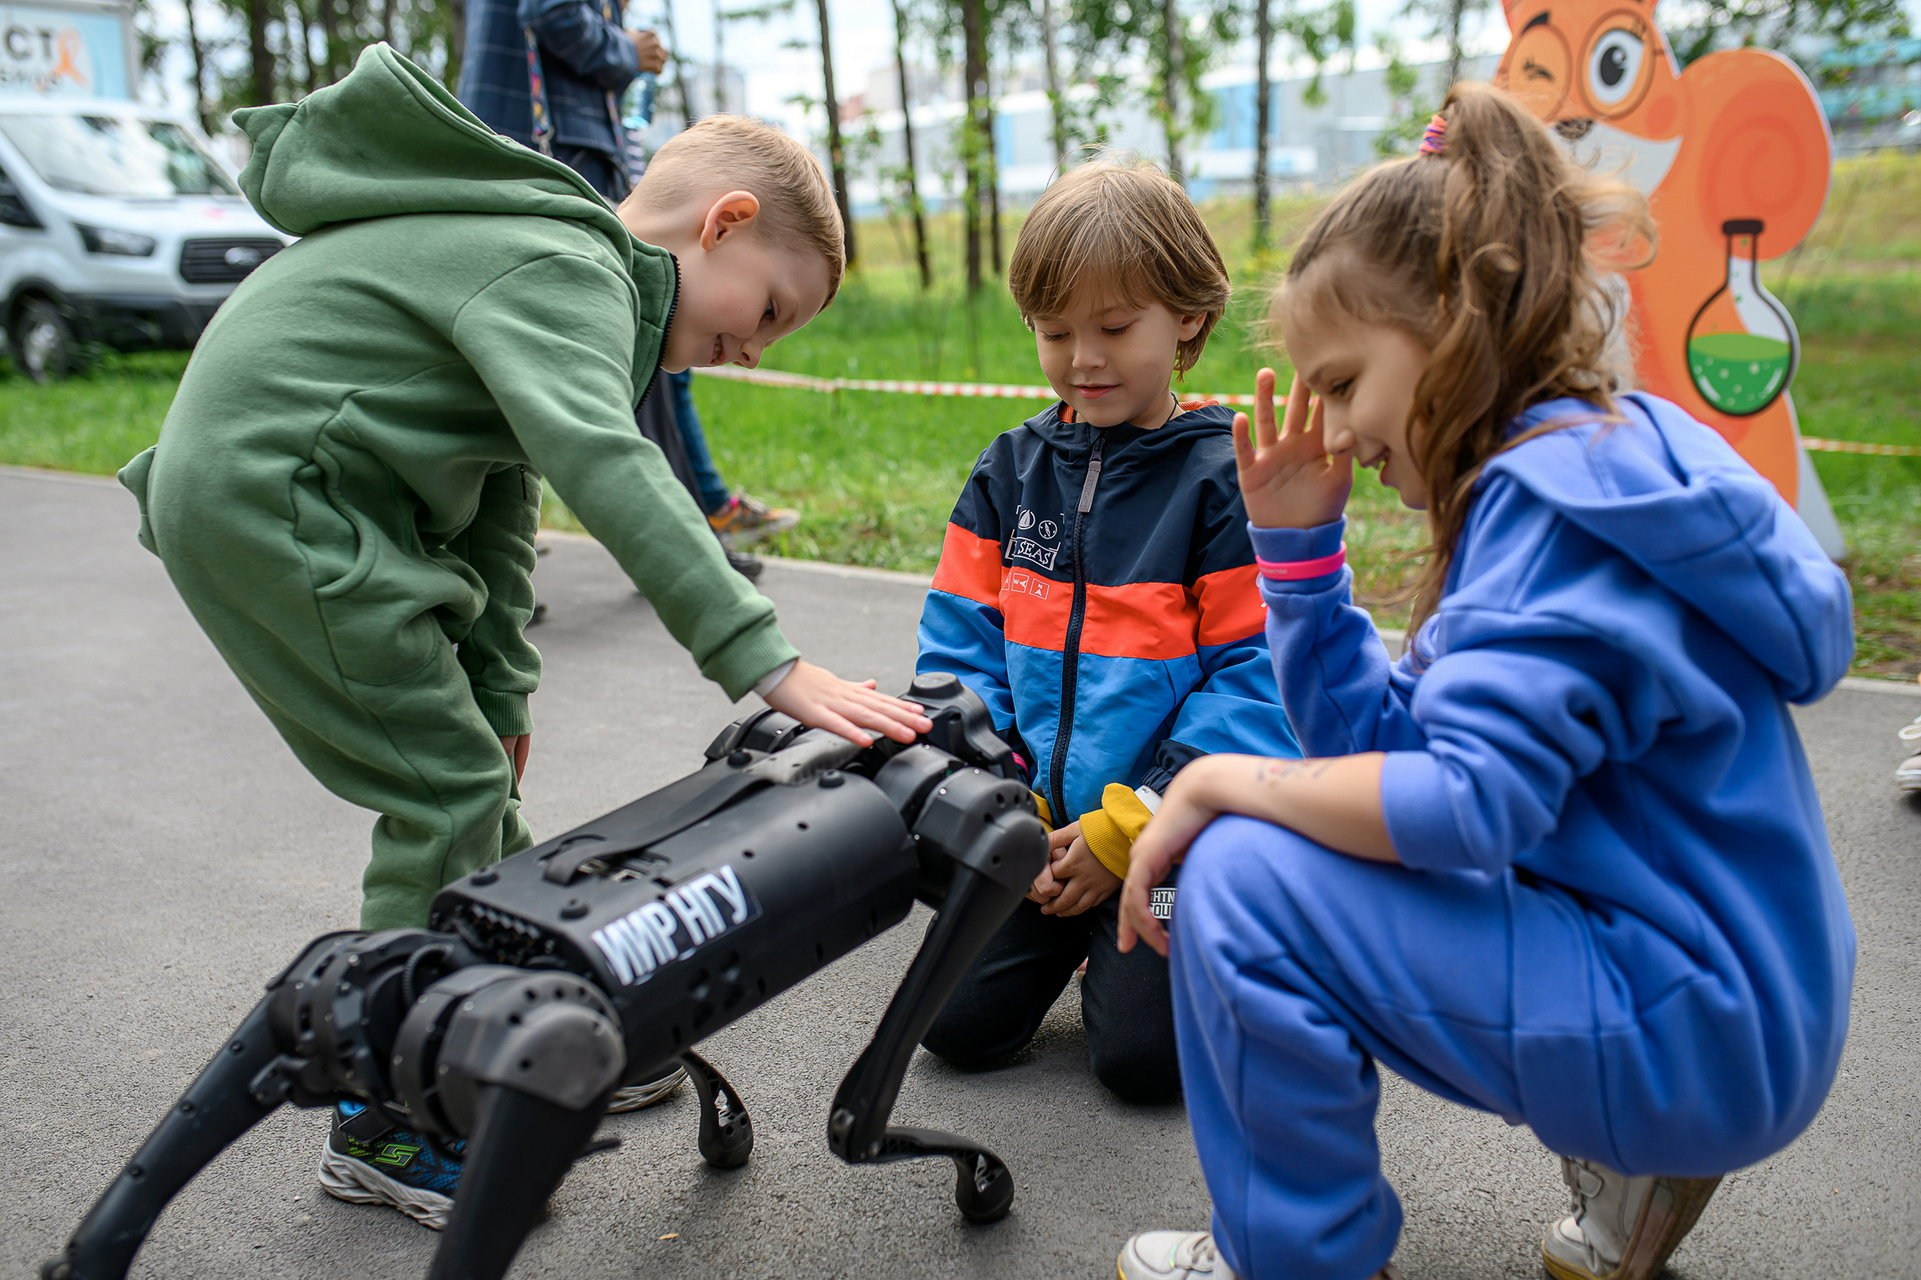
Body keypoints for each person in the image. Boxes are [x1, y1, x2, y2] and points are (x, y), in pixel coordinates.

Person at [118, 44, 932, 1231]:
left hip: (321, 497)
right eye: (766, 313)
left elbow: (506, 511)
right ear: (725, 223)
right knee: (443, 794)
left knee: (485, 804)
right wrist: (765, 658)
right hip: (275, 497)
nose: (756, 351)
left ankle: (526, 1030)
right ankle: (385, 1113)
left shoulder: (554, 268)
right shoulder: (568, 269)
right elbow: (608, 467)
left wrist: (503, 693)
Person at [1110, 84, 1857, 1280]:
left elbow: (1460, 808)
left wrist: (1217, 783)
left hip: (1688, 1022)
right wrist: (1300, 562)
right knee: (1272, 835)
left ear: (1457, 319)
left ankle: (1298, 1260)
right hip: (1735, 998)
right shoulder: (1604, 459)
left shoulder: (1547, 510)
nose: (1338, 430)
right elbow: (1399, 759)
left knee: (1243, 879)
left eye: (1345, 381)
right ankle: (1645, 1164)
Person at [914, 160, 1301, 1103]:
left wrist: (1129, 827)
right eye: (1054, 332)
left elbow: (1260, 681)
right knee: (953, 1030)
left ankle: (1243, 932)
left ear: (1189, 321)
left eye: (1115, 328)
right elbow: (957, 650)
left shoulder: (1225, 480)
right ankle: (1081, 930)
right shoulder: (1009, 470)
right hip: (1035, 830)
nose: (1081, 357)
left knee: (1141, 1065)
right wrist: (1004, 802)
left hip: (1164, 837)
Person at [458, 0, 798, 578]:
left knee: (663, 348)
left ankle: (688, 532)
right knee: (638, 342)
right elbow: (551, 10)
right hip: (552, 151)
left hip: (568, 148)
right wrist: (626, 51)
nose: (752, 353)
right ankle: (680, 548)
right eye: (768, 311)